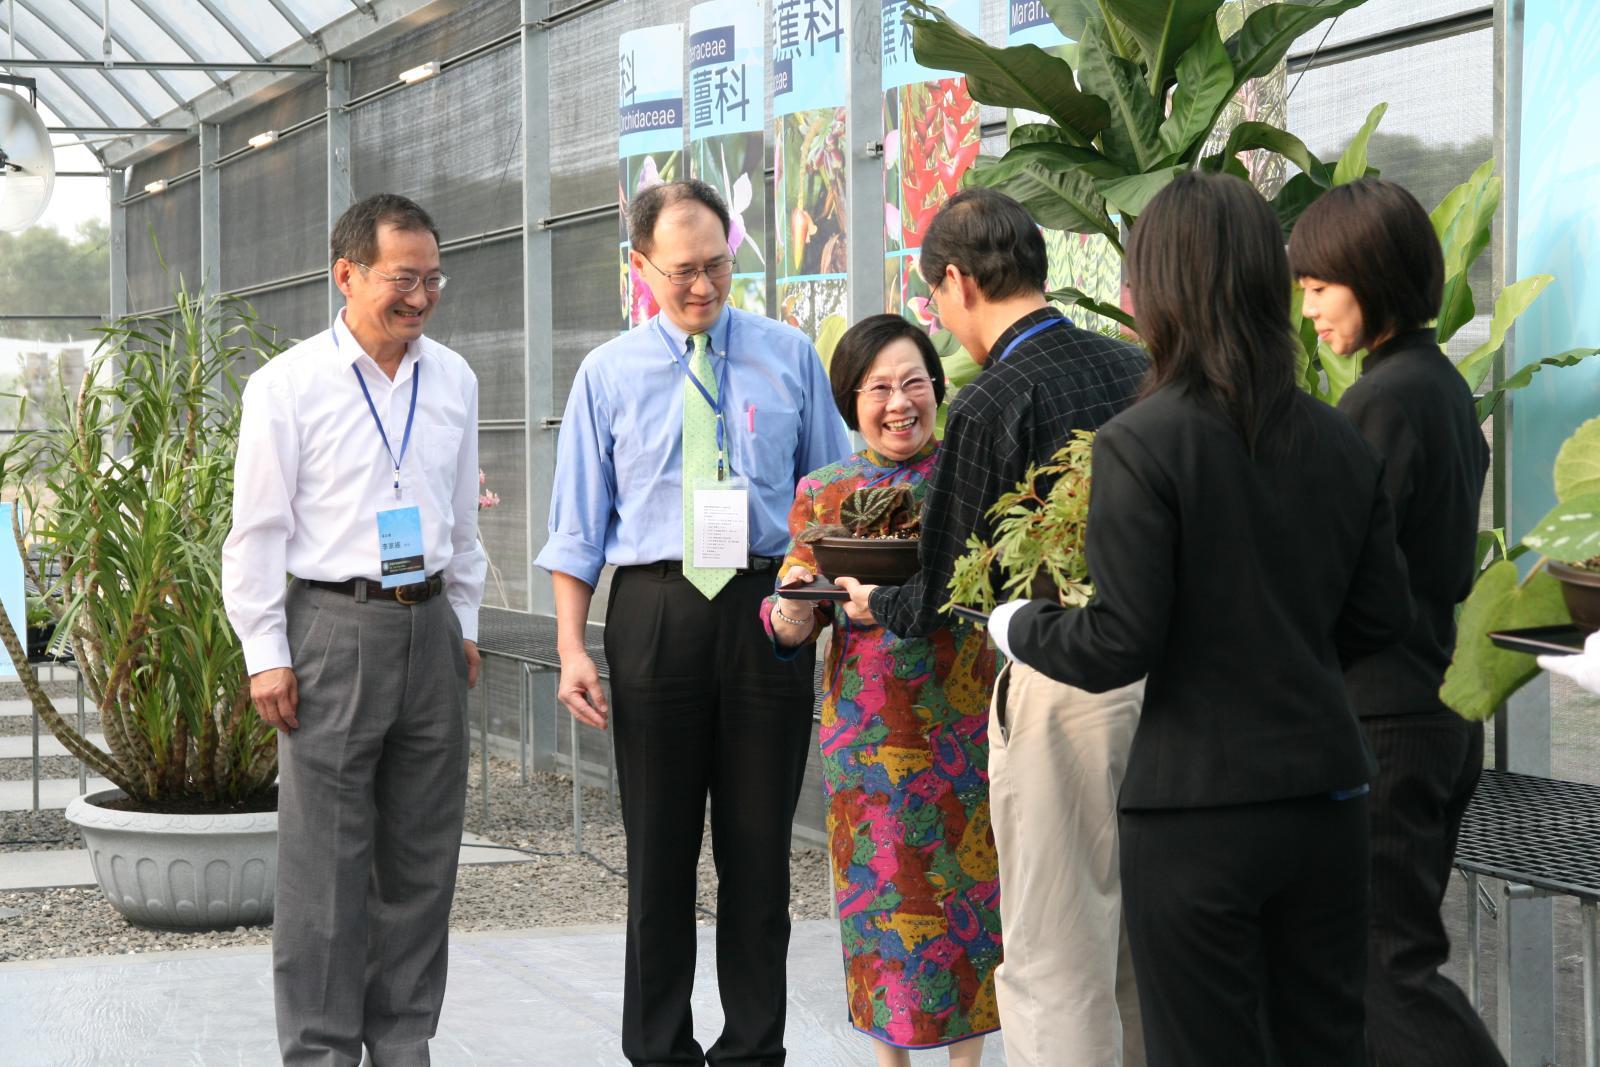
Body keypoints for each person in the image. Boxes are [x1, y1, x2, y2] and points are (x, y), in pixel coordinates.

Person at [985, 171, 1414, 1065]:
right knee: (1327, 1042)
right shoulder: (1340, 436)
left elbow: (1118, 641)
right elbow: (1380, 618)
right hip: (1328, 799)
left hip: (1195, 815)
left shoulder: (1142, 441)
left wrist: (1017, 624)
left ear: (1163, 291)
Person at [536, 178, 850, 1067]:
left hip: (768, 608)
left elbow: (829, 502)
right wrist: (570, 646)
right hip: (656, 611)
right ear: (642, 268)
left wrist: (809, 609)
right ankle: (660, 1049)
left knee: (759, 858)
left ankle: (754, 1049)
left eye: (717, 265)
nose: (703, 286)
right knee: (659, 858)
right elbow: (576, 526)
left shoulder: (789, 356)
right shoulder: (608, 372)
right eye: (682, 271)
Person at [837, 187, 1149, 1067]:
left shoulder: (991, 401)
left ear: (957, 282)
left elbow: (943, 590)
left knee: (1052, 950)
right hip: (1158, 677)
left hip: (1060, 688)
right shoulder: (1133, 367)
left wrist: (871, 602)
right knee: (1131, 941)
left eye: (937, 301)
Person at [221, 192, 486, 1066]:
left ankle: (404, 1042)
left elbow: (461, 519)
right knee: (324, 872)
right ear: (347, 275)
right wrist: (267, 653)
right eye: (402, 279)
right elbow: (255, 532)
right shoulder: (287, 385)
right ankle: (322, 1050)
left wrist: (468, 621)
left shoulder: (453, 378)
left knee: (422, 858)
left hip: (430, 629)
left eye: (432, 278)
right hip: (332, 625)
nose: (421, 296)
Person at [1291, 178, 1502, 1067]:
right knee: (1384, 970)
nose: (1308, 314)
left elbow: (1329, 572)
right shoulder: (1441, 386)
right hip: (1436, 706)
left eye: (1319, 289)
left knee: (1385, 972)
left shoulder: (1380, 402)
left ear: (1370, 277)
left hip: (1385, 719)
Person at [765, 314, 1001, 1067]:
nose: (900, 403)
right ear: (850, 400)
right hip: (867, 732)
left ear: (938, 387)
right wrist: (797, 597)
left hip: (964, 718)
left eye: (914, 383)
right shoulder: (823, 490)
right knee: (878, 899)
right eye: (879, 388)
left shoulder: (973, 477)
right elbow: (786, 623)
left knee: (973, 894)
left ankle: (968, 1059)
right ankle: (887, 1061)